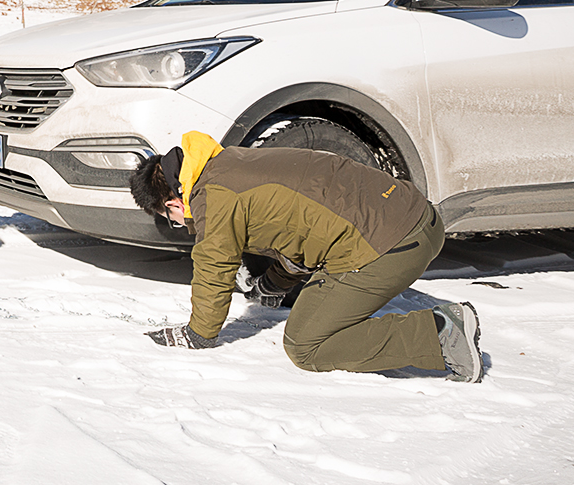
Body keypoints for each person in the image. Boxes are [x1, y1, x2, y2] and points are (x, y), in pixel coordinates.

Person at [129, 131, 483, 381]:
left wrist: (198, 333)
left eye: (171, 219)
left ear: (173, 202)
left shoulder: (213, 196)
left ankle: (439, 333)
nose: (180, 223)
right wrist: (273, 283)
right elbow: (300, 230)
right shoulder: (232, 164)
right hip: (418, 220)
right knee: (317, 305)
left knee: (307, 344)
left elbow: (213, 265)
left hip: (389, 246)